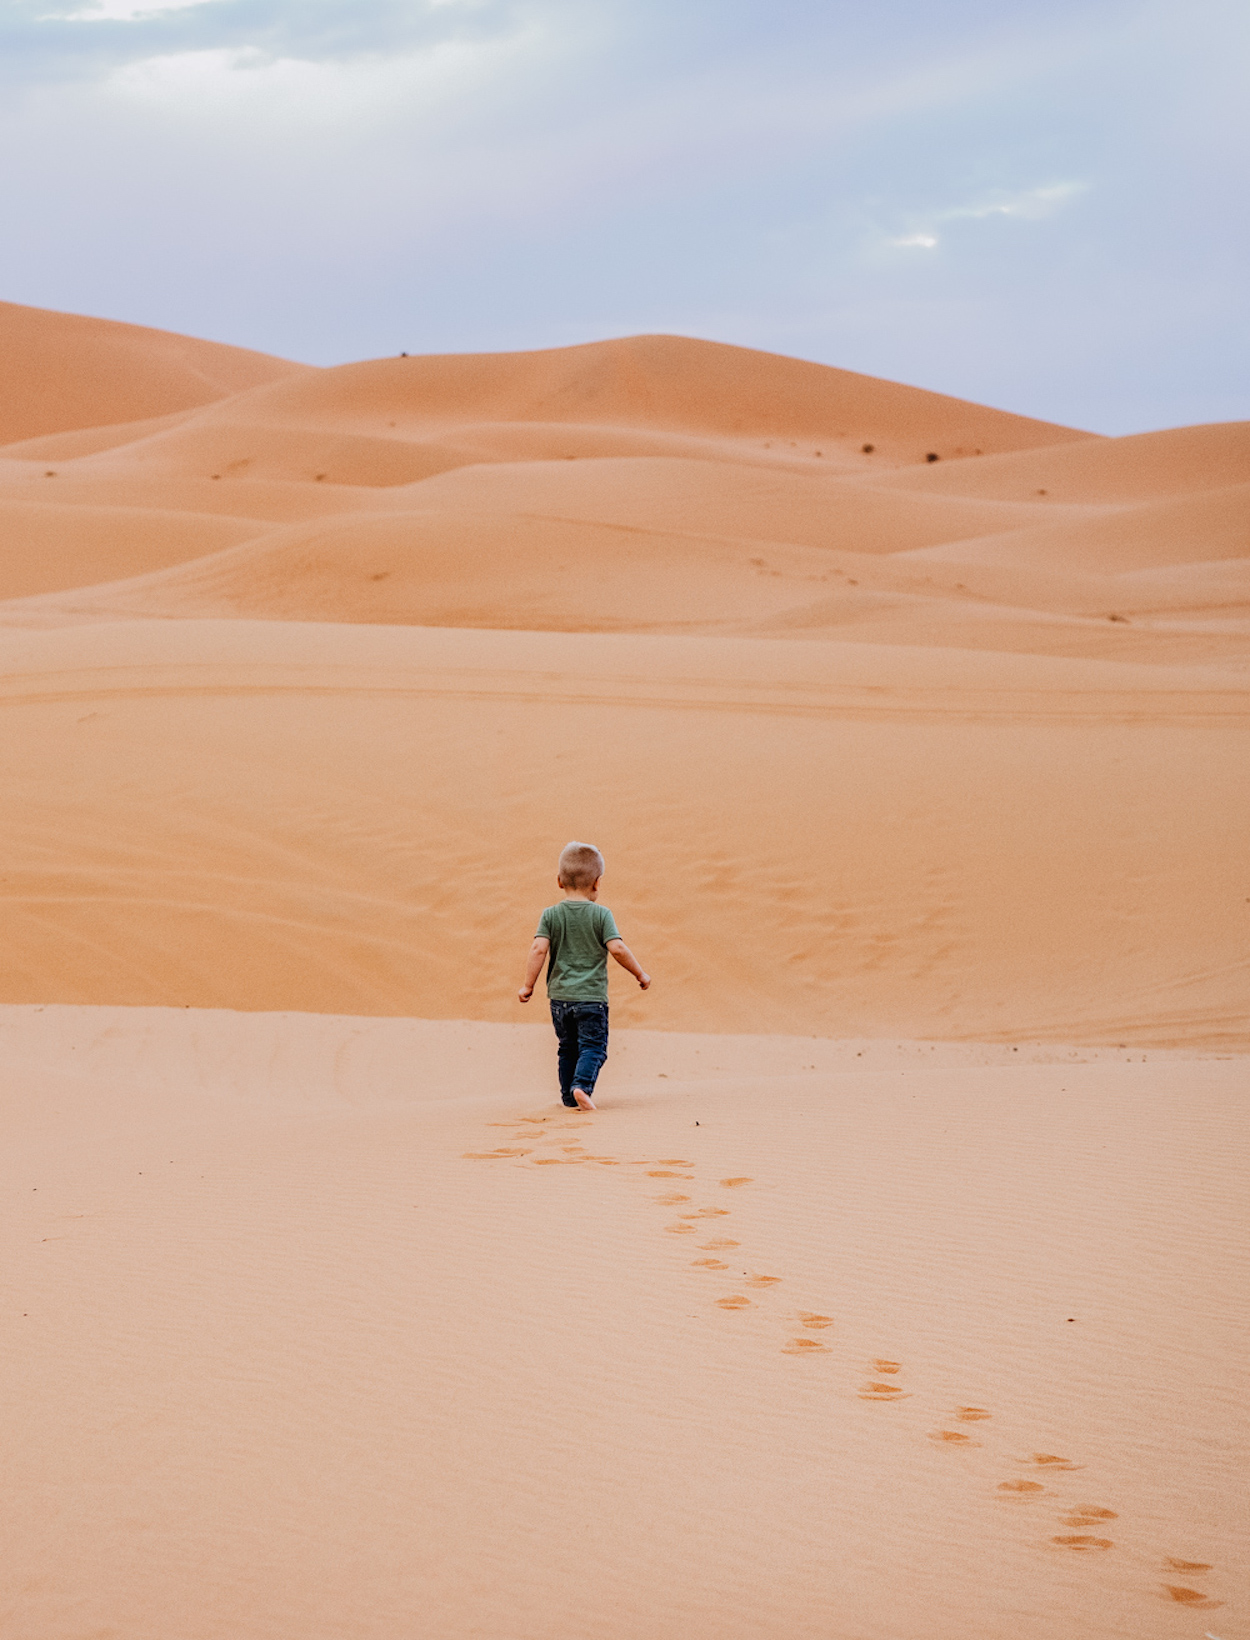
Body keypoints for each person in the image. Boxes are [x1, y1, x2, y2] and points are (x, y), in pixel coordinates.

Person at [517, 841, 650, 1109]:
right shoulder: (601, 915)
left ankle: (568, 1096)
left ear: (559, 881)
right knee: (593, 1047)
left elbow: (538, 949)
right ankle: (582, 1086)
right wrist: (640, 973)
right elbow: (618, 948)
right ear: (597, 883)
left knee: (567, 1047)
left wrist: (527, 985)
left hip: (560, 999)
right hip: (591, 998)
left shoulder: (550, 915)